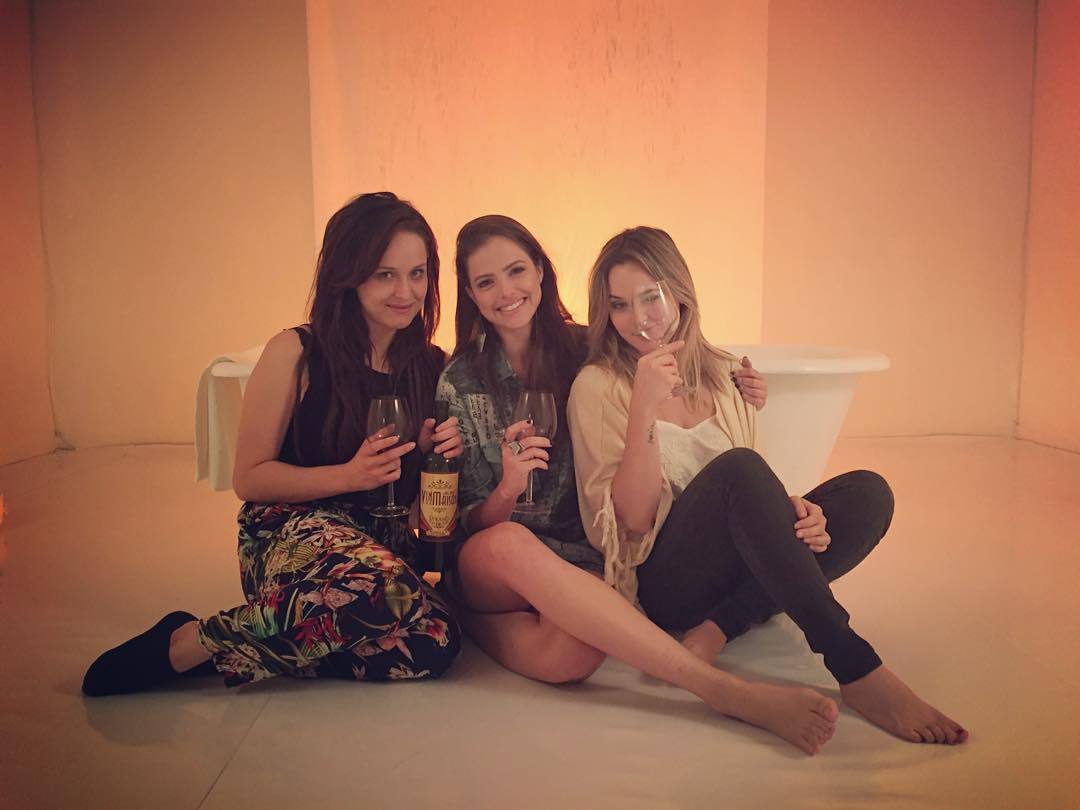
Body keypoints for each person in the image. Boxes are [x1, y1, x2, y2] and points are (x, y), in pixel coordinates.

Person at [437, 214, 840, 755]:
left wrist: (745, 383)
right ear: (470, 294)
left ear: (540, 271)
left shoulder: (591, 351)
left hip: (581, 560)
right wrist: (509, 487)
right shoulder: (460, 380)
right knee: (510, 542)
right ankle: (722, 691)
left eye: (516, 271)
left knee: (575, 656)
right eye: (486, 282)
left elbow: (676, 362)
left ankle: (463, 620)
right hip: (493, 557)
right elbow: (466, 520)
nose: (506, 292)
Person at [568, 225, 968, 745]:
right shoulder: (598, 386)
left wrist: (796, 510)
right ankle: (855, 665)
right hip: (665, 583)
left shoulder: (725, 373)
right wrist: (643, 403)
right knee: (739, 468)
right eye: (619, 305)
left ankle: (722, 624)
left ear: (681, 293)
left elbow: (749, 497)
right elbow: (632, 522)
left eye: (651, 297)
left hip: (737, 566)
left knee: (867, 493)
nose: (639, 319)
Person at [83, 192, 463, 695]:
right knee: (389, 594)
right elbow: (250, 478)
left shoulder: (432, 365)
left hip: (379, 549)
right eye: (384, 274)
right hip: (290, 532)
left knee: (436, 641)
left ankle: (244, 646)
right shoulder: (296, 352)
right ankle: (189, 643)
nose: (406, 291)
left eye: (417, 273)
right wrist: (348, 476)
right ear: (348, 275)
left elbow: (413, 510)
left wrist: (433, 458)